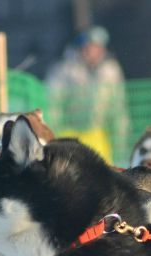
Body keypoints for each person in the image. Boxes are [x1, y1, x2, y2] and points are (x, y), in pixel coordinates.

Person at [45, 26, 130, 164]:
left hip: (99, 133)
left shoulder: (111, 70)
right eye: (89, 46)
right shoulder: (64, 69)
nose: (92, 51)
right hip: (69, 133)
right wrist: (55, 132)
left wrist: (120, 137)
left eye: (97, 47)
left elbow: (118, 105)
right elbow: (53, 102)